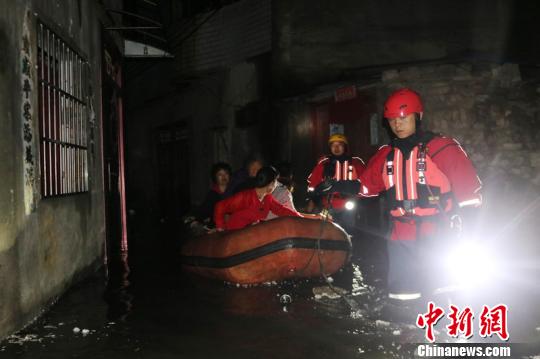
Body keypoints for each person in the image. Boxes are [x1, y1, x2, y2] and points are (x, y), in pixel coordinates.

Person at [325, 88, 482, 302]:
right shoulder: (385, 155)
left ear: (418, 117)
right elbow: (366, 186)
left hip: (437, 232)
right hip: (401, 234)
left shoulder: (441, 148)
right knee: (402, 297)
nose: (397, 124)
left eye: (403, 118)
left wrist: (471, 225)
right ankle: (407, 330)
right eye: (391, 120)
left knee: (444, 293)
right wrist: (337, 186)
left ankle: (444, 329)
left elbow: (468, 188)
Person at [306, 134, 366, 232]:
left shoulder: (356, 163)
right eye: (333, 145)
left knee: (348, 233)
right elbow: (312, 184)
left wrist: (360, 201)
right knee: (327, 234)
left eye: (339, 145)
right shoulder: (324, 164)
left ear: (345, 147)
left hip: (349, 205)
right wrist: (311, 200)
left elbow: (365, 184)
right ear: (330, 148)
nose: (336, 148)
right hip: (328, 205)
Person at [214, 166, 303, 231]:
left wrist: (301, 218)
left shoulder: (267, 198)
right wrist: (221, 229)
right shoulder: (245, 197)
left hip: (250, 234)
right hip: (235, 235)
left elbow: (281, 210)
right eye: (276, 182)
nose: (277, 185)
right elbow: (220, 206)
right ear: (270, 184)